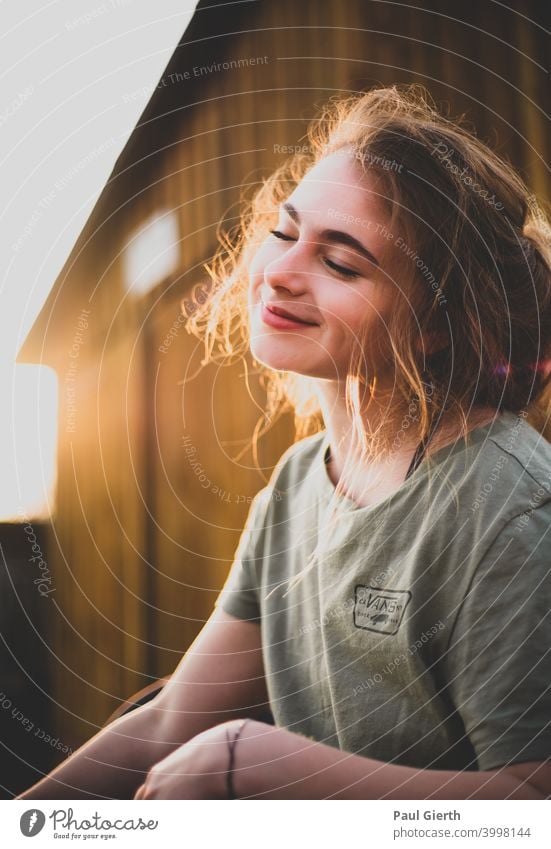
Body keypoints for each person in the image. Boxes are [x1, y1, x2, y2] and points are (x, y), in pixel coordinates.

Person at [19, 84, 551, 800]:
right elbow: (169, 720)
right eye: (283, 230)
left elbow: (531, 795)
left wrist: (271, 765)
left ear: (435, 323)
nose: (278, 273)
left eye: (340, 263)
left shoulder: (509, 510)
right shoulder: (299, 484)